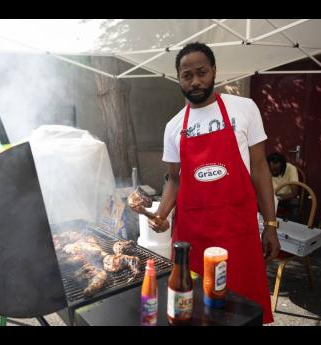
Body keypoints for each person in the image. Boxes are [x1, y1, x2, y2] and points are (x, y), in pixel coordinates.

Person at [129, 42, 279, 324]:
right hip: (192, 239)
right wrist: (162, 213)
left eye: (202, 72)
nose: (196, 81)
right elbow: (174, 179)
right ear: (179, 79)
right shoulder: (173, 126)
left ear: (214, 72)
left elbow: (260, 168)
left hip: (239, 232)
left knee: (243, 313)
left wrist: (270, 225)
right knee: (193, 312)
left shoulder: (244, 108)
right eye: (187, 75)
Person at [267, 152, 300, 221]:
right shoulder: (265, 168)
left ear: (283, 167)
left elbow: (295, 192)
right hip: (270, 196)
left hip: (287, 197)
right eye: (272, 170)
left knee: (294, 203)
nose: (274, 172)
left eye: (276, 170)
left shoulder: (291, 168)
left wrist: (279, 198)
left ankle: (293, 227)